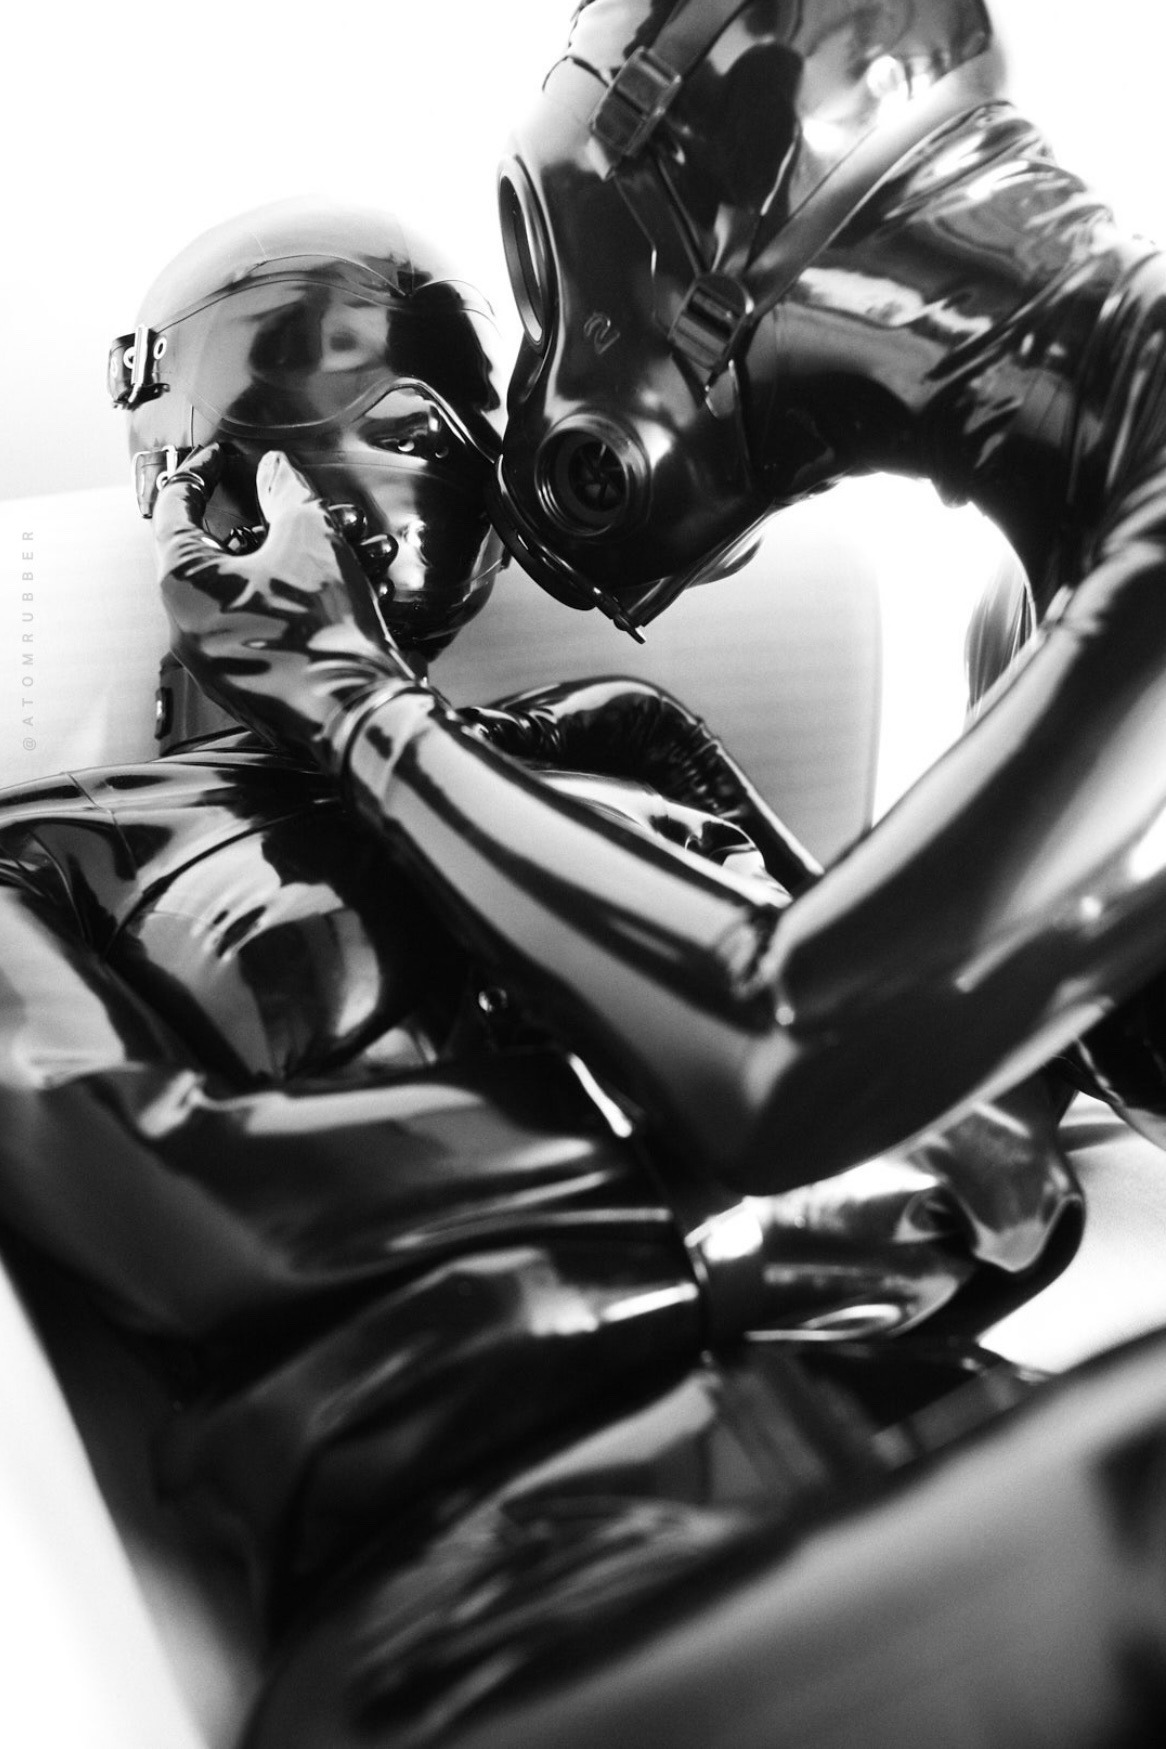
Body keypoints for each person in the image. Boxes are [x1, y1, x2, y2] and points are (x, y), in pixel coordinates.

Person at [0, 197, 1076, 1743]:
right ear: (203, 489)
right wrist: (785, 1182)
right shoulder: (44, 859)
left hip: (947, 1427)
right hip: (529, 1575)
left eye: (479, 438)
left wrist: (499, 1286)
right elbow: (190, 1213)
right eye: (407, 429)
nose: (490, 485)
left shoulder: (619, 745)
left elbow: (1001, 1156)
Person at [487, 0, 1166, 1186]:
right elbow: (978, 1091)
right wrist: (666, 759)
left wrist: (344, 701)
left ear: (729, 235)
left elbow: (787, 1080)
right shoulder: (1027, 603)